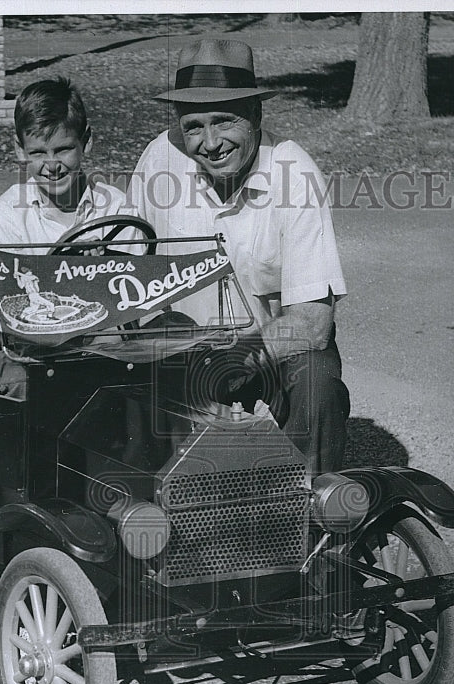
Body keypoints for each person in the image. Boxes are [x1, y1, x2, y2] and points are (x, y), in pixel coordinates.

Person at [126, 38, 350, 475]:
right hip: (182, 347)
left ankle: (316, 517)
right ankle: (148, 523)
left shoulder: (294, 173)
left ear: (256, 115)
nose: (210, 143)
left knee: (318, 383)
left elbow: (313, 323)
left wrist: (238, 357)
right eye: (193, 126)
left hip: (269, 348)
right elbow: (126, 269)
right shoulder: (159, 157)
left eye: (223, 121)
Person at [0, 76, 131, 252]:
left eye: (63, 149)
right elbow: (6, 278)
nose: (52, 166)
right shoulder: (8, 215)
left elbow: (134, 274)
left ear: (86, 141)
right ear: (19, 149)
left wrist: (106, 261)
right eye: (38, 153)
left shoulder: (117, 210)